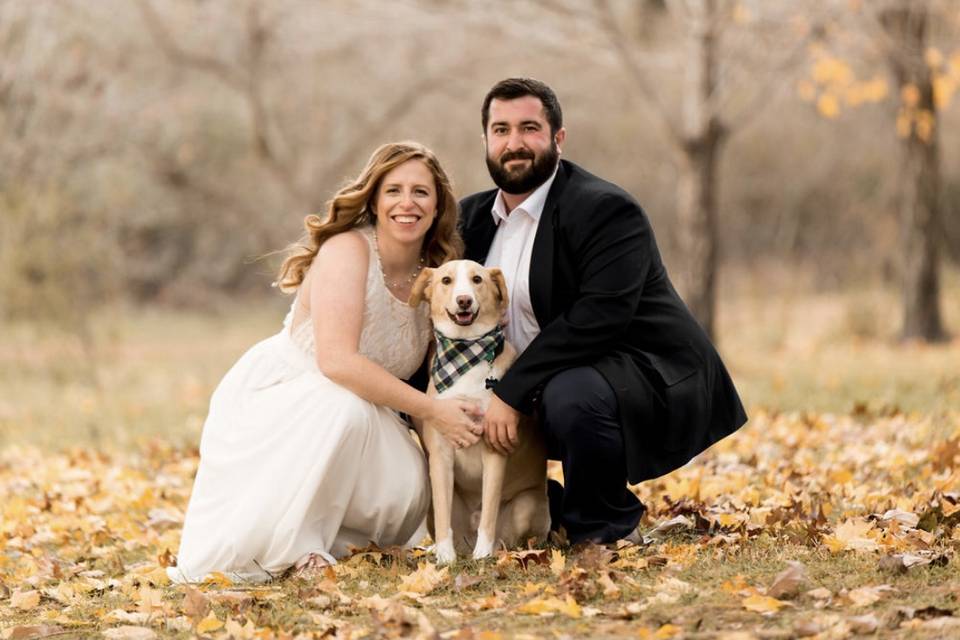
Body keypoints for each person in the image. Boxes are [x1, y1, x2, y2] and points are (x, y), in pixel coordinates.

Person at [167, 142, 484, 583]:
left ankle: (344, 541)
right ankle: (298, 550)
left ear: (438, 206)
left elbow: (437, 373)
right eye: (394, 191)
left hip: (370, 407)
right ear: (374, 200)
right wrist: (431, 410)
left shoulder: (441, 274)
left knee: (411, 484)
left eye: (420, 193)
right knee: (344, 410)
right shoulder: (347, 250)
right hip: (295, 389)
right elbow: (336, 362)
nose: (407, 203)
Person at [459, 78, 748, 544]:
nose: (514, 143)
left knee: (570, 393)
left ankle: (603, 525)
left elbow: (599, 318)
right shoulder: (468, 219)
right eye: (501, 130)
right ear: (485, 141)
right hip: (523, 377)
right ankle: (541, 505)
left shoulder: (605, 210)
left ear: (558, 137)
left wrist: (510, 392)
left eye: (529, 128)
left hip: (634, 371)